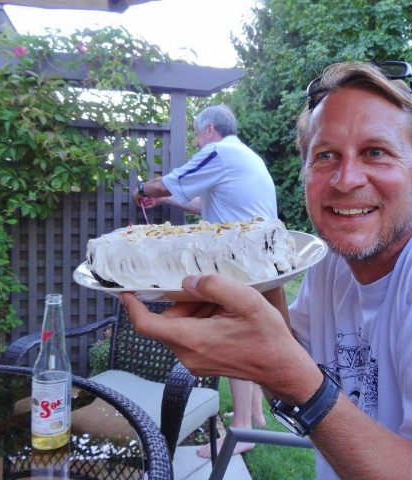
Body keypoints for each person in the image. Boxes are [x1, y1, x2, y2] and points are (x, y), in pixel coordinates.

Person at [121, 61, 412, 479]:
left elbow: (302, 383)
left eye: (376, 152)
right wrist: (258, 293)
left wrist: (294, 379)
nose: (346, 179)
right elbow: (295, 370)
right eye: (325, 155)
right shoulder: (331, 266)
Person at [131, 104, 275, 457]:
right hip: (261, 256)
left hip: (240, 259)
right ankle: (254, 412)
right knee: (253, 331)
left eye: (196, 134)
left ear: (210, 129)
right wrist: (166, 199)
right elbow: (202, 204)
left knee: (235, 338)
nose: (196, 142)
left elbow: (169, 182)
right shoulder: (244, 156)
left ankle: (242, 430)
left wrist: (143, 188)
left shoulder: (219, 152)